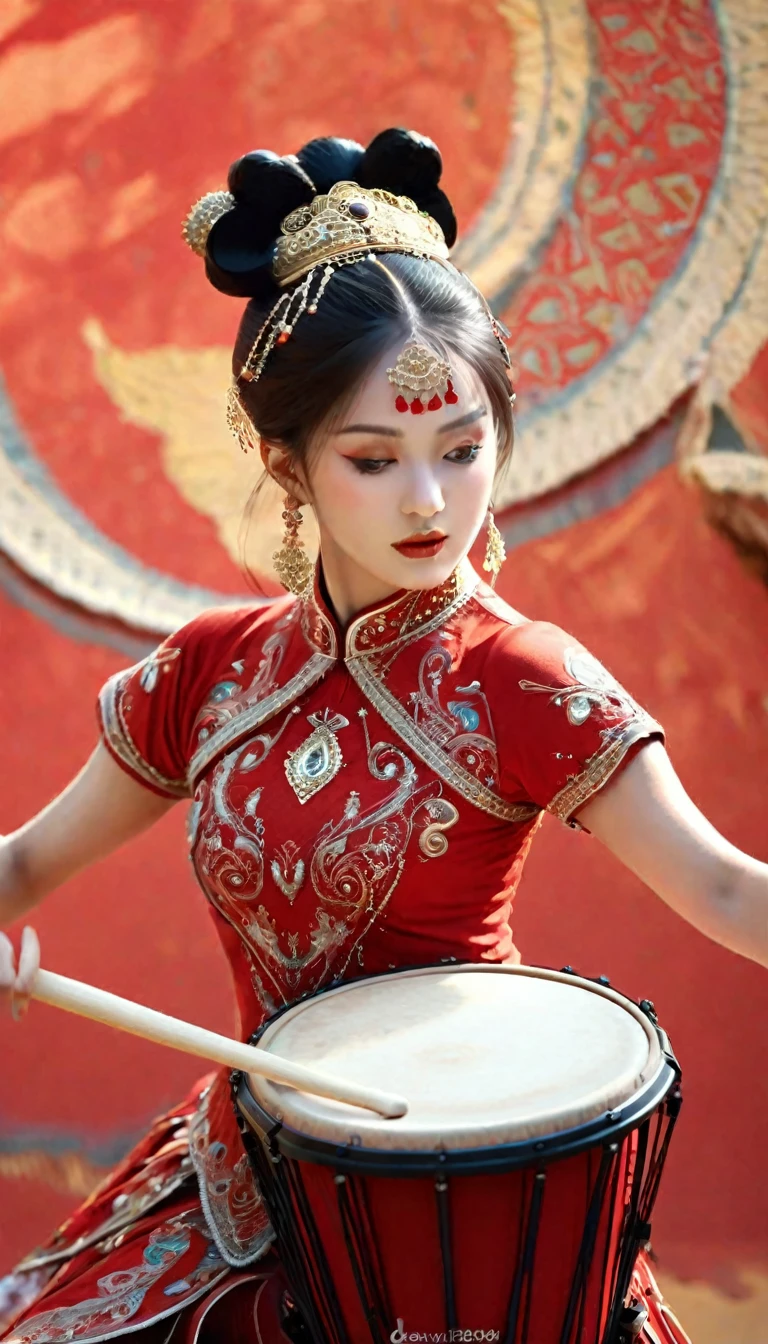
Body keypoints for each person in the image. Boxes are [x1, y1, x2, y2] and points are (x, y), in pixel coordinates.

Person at [0, 127, 766, 1344]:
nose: (428, 501)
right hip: (250, 1178)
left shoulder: (521, 678)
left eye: (463, 452)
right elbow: (25, 866)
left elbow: (728, 889)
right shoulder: (209, 671)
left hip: (476, 1205)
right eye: (374, 458)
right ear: (283, 461)